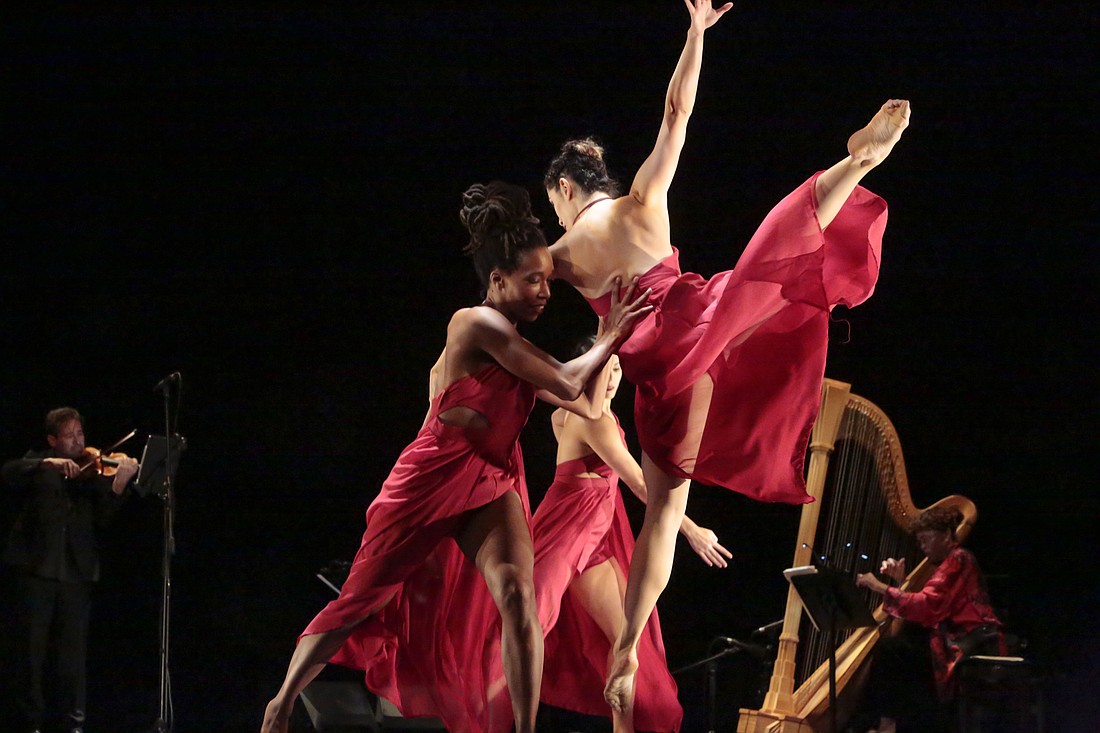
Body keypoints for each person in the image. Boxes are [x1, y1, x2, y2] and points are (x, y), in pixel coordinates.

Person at [543, 0, 910, 707]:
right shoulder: (640, 202)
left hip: (656, 373)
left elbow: (518, 294)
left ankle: (626, 651)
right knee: (766, 264)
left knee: (662, 514)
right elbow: (676, 112)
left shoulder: (558, 254)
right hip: (700, 322)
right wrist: (695, 34)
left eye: (554, 201)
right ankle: (851, 165)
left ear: (563, 188)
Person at [260, 181, 652, 733]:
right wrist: (608, 335)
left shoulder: (515, 348)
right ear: (497, 280)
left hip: (492, 480)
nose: (545, 291)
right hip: (433, 475)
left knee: (517, 593)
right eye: (533, 279)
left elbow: (586, 402)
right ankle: (280, 706)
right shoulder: (475, 323)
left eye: (547, 279)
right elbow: (567, 381)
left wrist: (620, 341)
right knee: (360, 601)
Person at [532, 344, 732, 732]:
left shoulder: (574, 414)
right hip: (574, 532)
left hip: (595, 530)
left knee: (624, 639)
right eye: (603, 370)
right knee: (538, 625)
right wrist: (691, 530)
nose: (612, 379)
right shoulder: (593, 420)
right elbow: (640, 484)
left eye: (618, 370)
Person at [2, 407, 139, 733]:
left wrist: (119, 485)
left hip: (77, 575)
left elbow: (103, 519)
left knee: (72, 657)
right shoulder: (38, 464)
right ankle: (30, 723)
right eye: (69, 435)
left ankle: (73, 723)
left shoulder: (92, 472)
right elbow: (8, 471)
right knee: (31, 654)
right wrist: (45, 464)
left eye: (80, 434)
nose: (78, 442)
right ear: (52, 440)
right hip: (35, 571)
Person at [854, 507, 1003, 733]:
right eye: (920, 541)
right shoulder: (947, 564)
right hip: (950, 640)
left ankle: (886, 726)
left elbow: (928, 605)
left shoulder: (959, 558)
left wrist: (878, 586)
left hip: (969, 643)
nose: (923, 547)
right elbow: (929, 605)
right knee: (898, 650)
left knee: (893, 651)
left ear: (946, 534)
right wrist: (901, 581)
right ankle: (888, 723)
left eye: (926, 539)